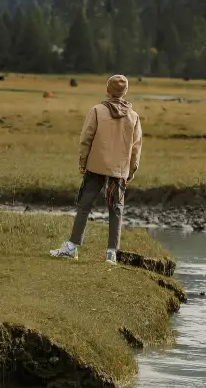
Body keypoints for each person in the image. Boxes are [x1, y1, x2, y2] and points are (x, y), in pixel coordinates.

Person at [50, 74, 142, 265]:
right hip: (119, 170)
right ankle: (111, 254)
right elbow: (136, 148)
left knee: (85, 205)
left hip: (96, 167)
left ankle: (72, 248)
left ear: (107, 90)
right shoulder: (133, 116)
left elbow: (86, 139)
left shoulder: (97, 110)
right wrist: (131, 170)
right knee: (116, 209)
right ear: (125, 91)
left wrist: (83, 161)